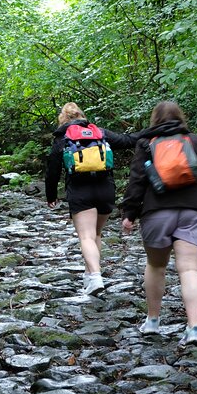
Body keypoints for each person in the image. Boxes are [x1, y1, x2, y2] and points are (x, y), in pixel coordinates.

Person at [120, 101, 197, 346]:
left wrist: (129, 213)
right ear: (181, 118)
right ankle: (194, 329)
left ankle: (153, 321)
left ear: (154, 120)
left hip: (157, 212)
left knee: (156, 266)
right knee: (189, 269)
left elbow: (137, 181)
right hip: (195, 210)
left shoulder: (146, 144)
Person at [45, 102, 138, 296]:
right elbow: (127, 140)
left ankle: (95, 276)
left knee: (86, 236)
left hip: (80, 190)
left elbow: (52, 170)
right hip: (105, 189)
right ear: (82, 115)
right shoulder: (100, 132)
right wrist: (154, 132)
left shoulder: (63, 138)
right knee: (96, 234)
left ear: (63, 119)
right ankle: (89, 276)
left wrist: (51, 195)